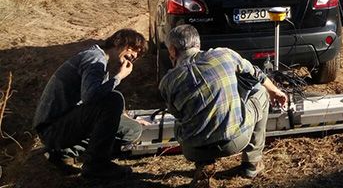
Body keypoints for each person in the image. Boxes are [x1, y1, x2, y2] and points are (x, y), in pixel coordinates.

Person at [159, 25, 287, 187]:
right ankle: (252, 163)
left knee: (182, 116)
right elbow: (256, 74)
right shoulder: (224, 55)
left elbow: (178, 115)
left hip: (193, 149)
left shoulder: (167, 82)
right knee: (260, 91)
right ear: (198, 44)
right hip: (235, 142)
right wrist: (275, 92)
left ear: (172, 50)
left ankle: (203, 164)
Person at [33, 29, 147, 179]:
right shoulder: (95, 59)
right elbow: (90, 97)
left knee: (132, 129)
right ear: (118, 42)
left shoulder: (101, 62)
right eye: (132, 49)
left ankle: (65, 152)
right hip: (53, 129)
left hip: (63, 125)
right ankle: (96, 165)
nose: (134, 56)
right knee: (114, 99)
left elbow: (97, 101)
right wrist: (118, 77)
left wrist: (129, 119)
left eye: (137, 54)